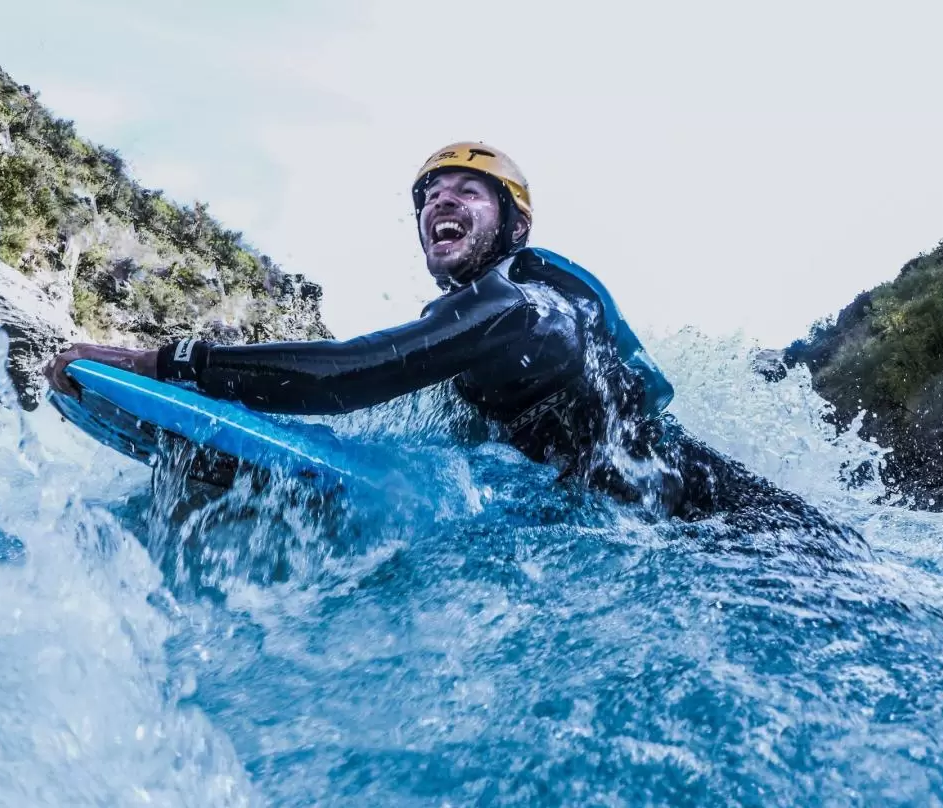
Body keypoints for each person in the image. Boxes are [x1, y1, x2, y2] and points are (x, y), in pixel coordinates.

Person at [46, 142, 859, 542]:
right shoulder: (488, 320)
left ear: (512, 222)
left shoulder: (517, 308)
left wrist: (169, 362)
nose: (443, 201)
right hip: (663, 522)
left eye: (469, 190)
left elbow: (356, 374)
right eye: (431, 195)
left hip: (733, 527)